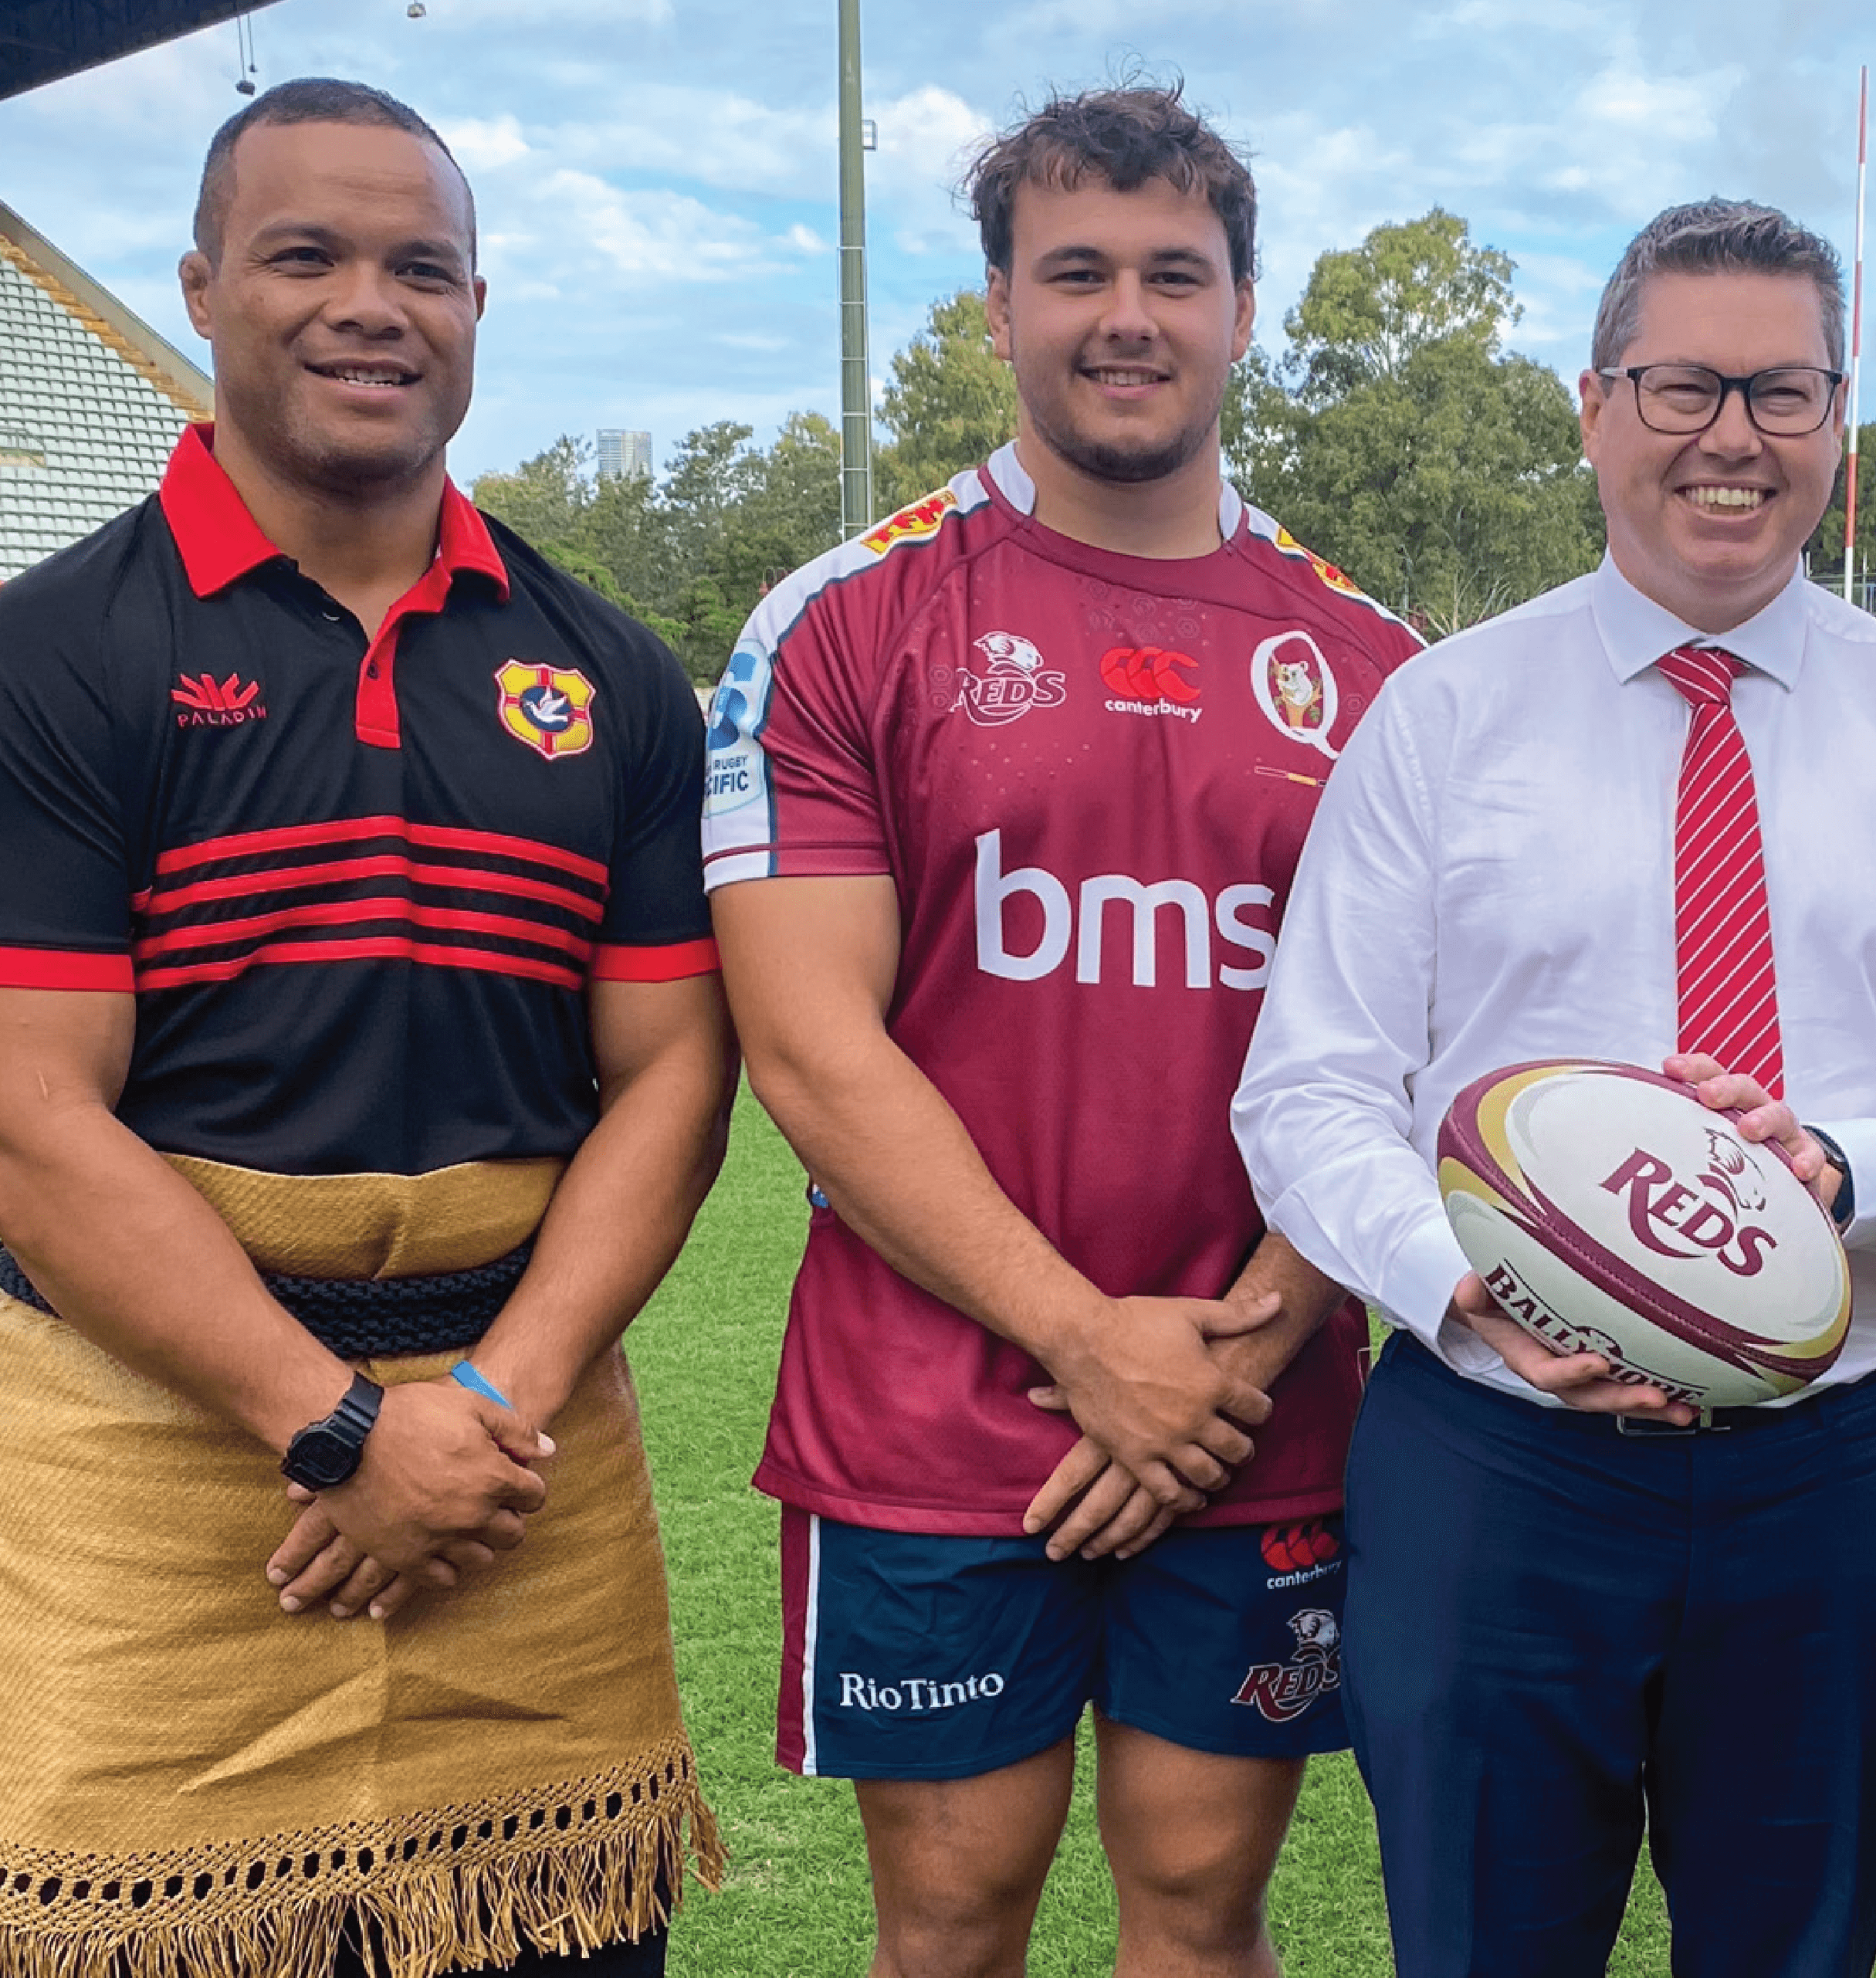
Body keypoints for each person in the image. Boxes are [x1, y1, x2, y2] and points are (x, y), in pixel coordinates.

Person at [1230, 197, 1876, 1976]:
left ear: (1840, 420)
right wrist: (1472, 1287)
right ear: (1593, 406)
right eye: (1683, 384)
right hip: (1499, 1460)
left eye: (1784, 393)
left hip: (1837, 1468)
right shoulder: (1444, 714)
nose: (1733, 438)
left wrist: (1839, 1172)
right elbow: (1307, 1091)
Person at [0, 80, 726, 1978]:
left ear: (478, 307)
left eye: (422, 266)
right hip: (158, 1464)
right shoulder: (53, 657)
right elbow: (31, 1124)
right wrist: (330, 1429)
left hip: (518, 1474)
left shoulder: (608, 670)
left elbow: (670, 1080)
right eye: (304, 255)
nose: (367, 305)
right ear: (201, 285)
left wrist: (478, 1413)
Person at [702, 84, 1421, 1978]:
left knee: (1200, 1909)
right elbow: (812, 1050)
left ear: (1244, 310)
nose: (1128, 314)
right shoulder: (844, 620)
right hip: (937, 1418)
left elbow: (1421, 1057)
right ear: (1001, 305)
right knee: (950, 1921)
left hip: (1253, 1409)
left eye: (1175, 273)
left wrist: (1234, 1355)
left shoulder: (1375, 667)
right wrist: (1085, 1343)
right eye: (1076, 269)